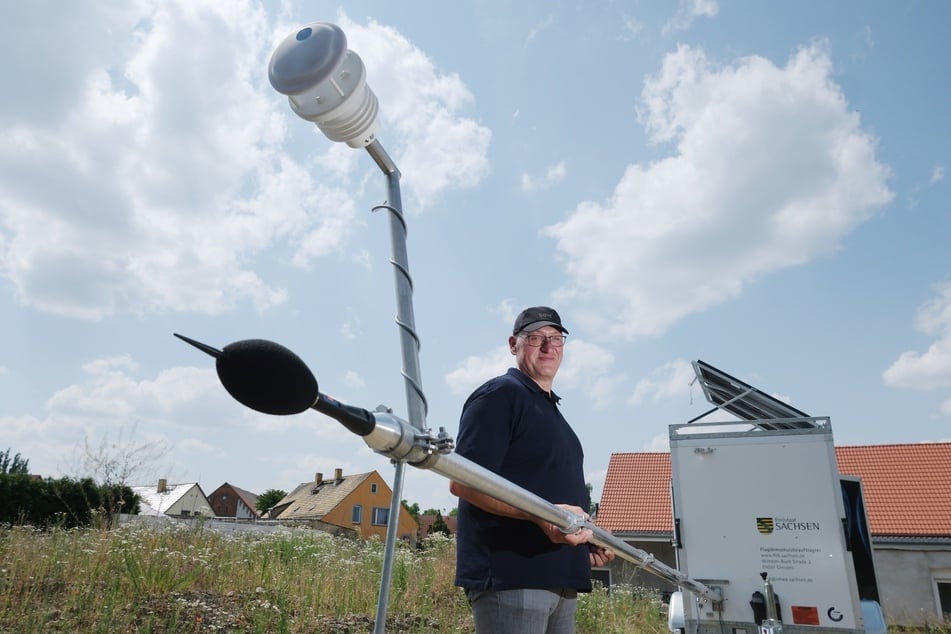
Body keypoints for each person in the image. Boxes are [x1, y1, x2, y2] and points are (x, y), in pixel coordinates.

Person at [449, 306, 615, 634]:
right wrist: (543, 517)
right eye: (535, 338)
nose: (547, 347)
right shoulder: (501, 395)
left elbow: (554, 496)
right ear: (514, 345)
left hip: (561, 579)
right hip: (514, 577)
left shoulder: (555, 415)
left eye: (555, 339)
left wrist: (586, 540)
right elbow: (463, 482)